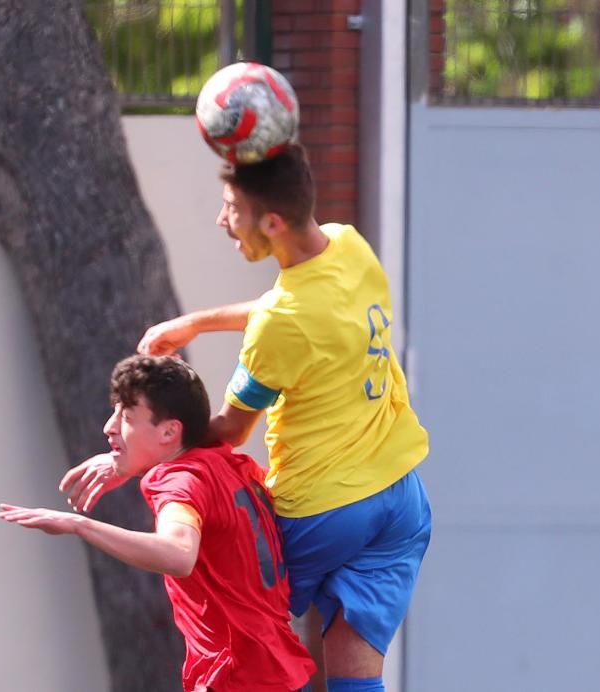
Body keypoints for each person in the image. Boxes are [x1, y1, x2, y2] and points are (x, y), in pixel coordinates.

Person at [63, 144, 431, 692]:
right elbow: (292, 309)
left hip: (325, 510)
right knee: (356, 675)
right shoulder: (351, 249)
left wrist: (134, 457)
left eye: (232, 208)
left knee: (245, 637)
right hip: (401, 499)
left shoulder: (278, 330)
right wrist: (195, 324)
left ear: (273, 221)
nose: (223, 221)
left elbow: (229, 430)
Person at [1, 354, 315, 692]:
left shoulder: (176, 480)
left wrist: (80, 526)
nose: (109, 427)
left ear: (169, 430)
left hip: (241, 679)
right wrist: (126, 459)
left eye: (126, 416)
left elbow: (179, 553)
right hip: (283, 670)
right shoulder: (232, 464)